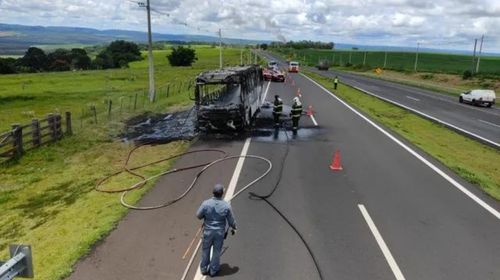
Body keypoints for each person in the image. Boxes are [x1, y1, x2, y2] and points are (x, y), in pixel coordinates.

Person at [196, 184, 237, 277]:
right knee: (216, 251)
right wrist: (234, 227)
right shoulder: (226, 206)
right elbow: (231, 220)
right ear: (222, 193)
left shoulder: (205, 203)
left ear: (213, 192)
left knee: (205, 250)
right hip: (219, 233)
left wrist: (205, 216)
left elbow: (198, 215)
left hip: (208, 232)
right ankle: (213, 270)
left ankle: (203, 268)